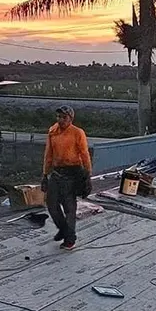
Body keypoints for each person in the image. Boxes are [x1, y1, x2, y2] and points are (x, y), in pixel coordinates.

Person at [43, 105, 93, 250]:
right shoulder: (53, 131)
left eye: (64, 117)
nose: (61, 120)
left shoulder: (77, 133)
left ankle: (70, 238)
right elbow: (48, 155)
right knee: (51, 203)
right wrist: (45, 175)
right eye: (58, 117)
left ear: (71, 119)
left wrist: (88, 175)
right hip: (57, 172)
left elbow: (84, 154)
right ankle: (64, 229)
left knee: (69, 207)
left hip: (73, 173)